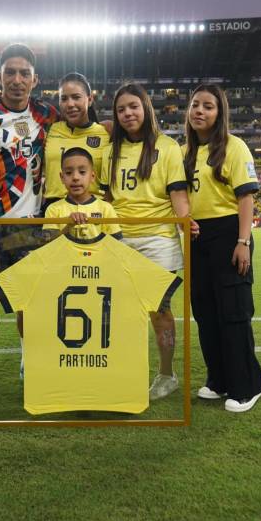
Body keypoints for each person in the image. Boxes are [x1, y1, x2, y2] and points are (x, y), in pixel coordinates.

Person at [0, 43, 59, 395]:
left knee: (30, 301)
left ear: (35, 79)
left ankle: (28, 360)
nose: (17, 80)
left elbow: (85, 125)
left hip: (34, 226)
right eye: (10, 73)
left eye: (24, 74)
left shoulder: (47, 115)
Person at [98, 83, 198, 400]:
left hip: (159, 239)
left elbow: (178, 193)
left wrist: (185, 223)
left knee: (160, 310)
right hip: (119, 238)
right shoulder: (108, 150)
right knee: (121, 311)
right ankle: (125, 371)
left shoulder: (167, 147)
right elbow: (106, 196)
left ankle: (166, 375)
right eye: (122, 108)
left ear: (146, 109)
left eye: (134, 106)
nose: (128, 113)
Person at [183, 84, 261, 413]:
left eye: (208, 106)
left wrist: (243, 242)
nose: (199, 111)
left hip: (229, 232)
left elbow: (246, 197)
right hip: (196, 237)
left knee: (233, 313)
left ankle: (248, 385)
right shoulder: (183, 152)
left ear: (220, 114)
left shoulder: (234, 146)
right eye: (195, 105)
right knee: (205, 314)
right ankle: (218, 380)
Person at [43, 73, 112, 212]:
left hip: (92, 212)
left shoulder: (106, 132)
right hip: (53, 211)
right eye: (64, 98)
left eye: (76, 97)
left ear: (90, 99)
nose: (70, 104)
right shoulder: (52, 130)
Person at [43, 147, 122, 240]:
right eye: (68, 173)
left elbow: (115, 244)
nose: (75, 177)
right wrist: (68, 226)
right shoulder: (53, 210)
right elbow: (49, 246)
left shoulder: (105, 208)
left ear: (92, 176)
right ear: (62, 177)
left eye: (82, 172)